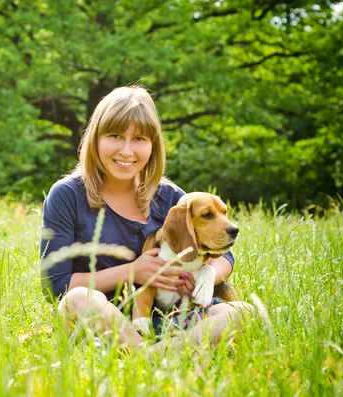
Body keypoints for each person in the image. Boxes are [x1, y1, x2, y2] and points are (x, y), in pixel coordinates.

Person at [39, 85, 251, 350]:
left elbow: (225, 256)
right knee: (76, 299)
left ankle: (158, 355)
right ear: (95, 139)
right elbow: (55, 285)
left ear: (153, 145)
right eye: (115, 135)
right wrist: (133, 272)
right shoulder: (67, 195)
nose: (127, 151)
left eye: (139, 139)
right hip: (106, 320)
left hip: (172, 318)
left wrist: (200, 277)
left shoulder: (168, 195)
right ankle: (153, 354)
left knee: (243, 312)